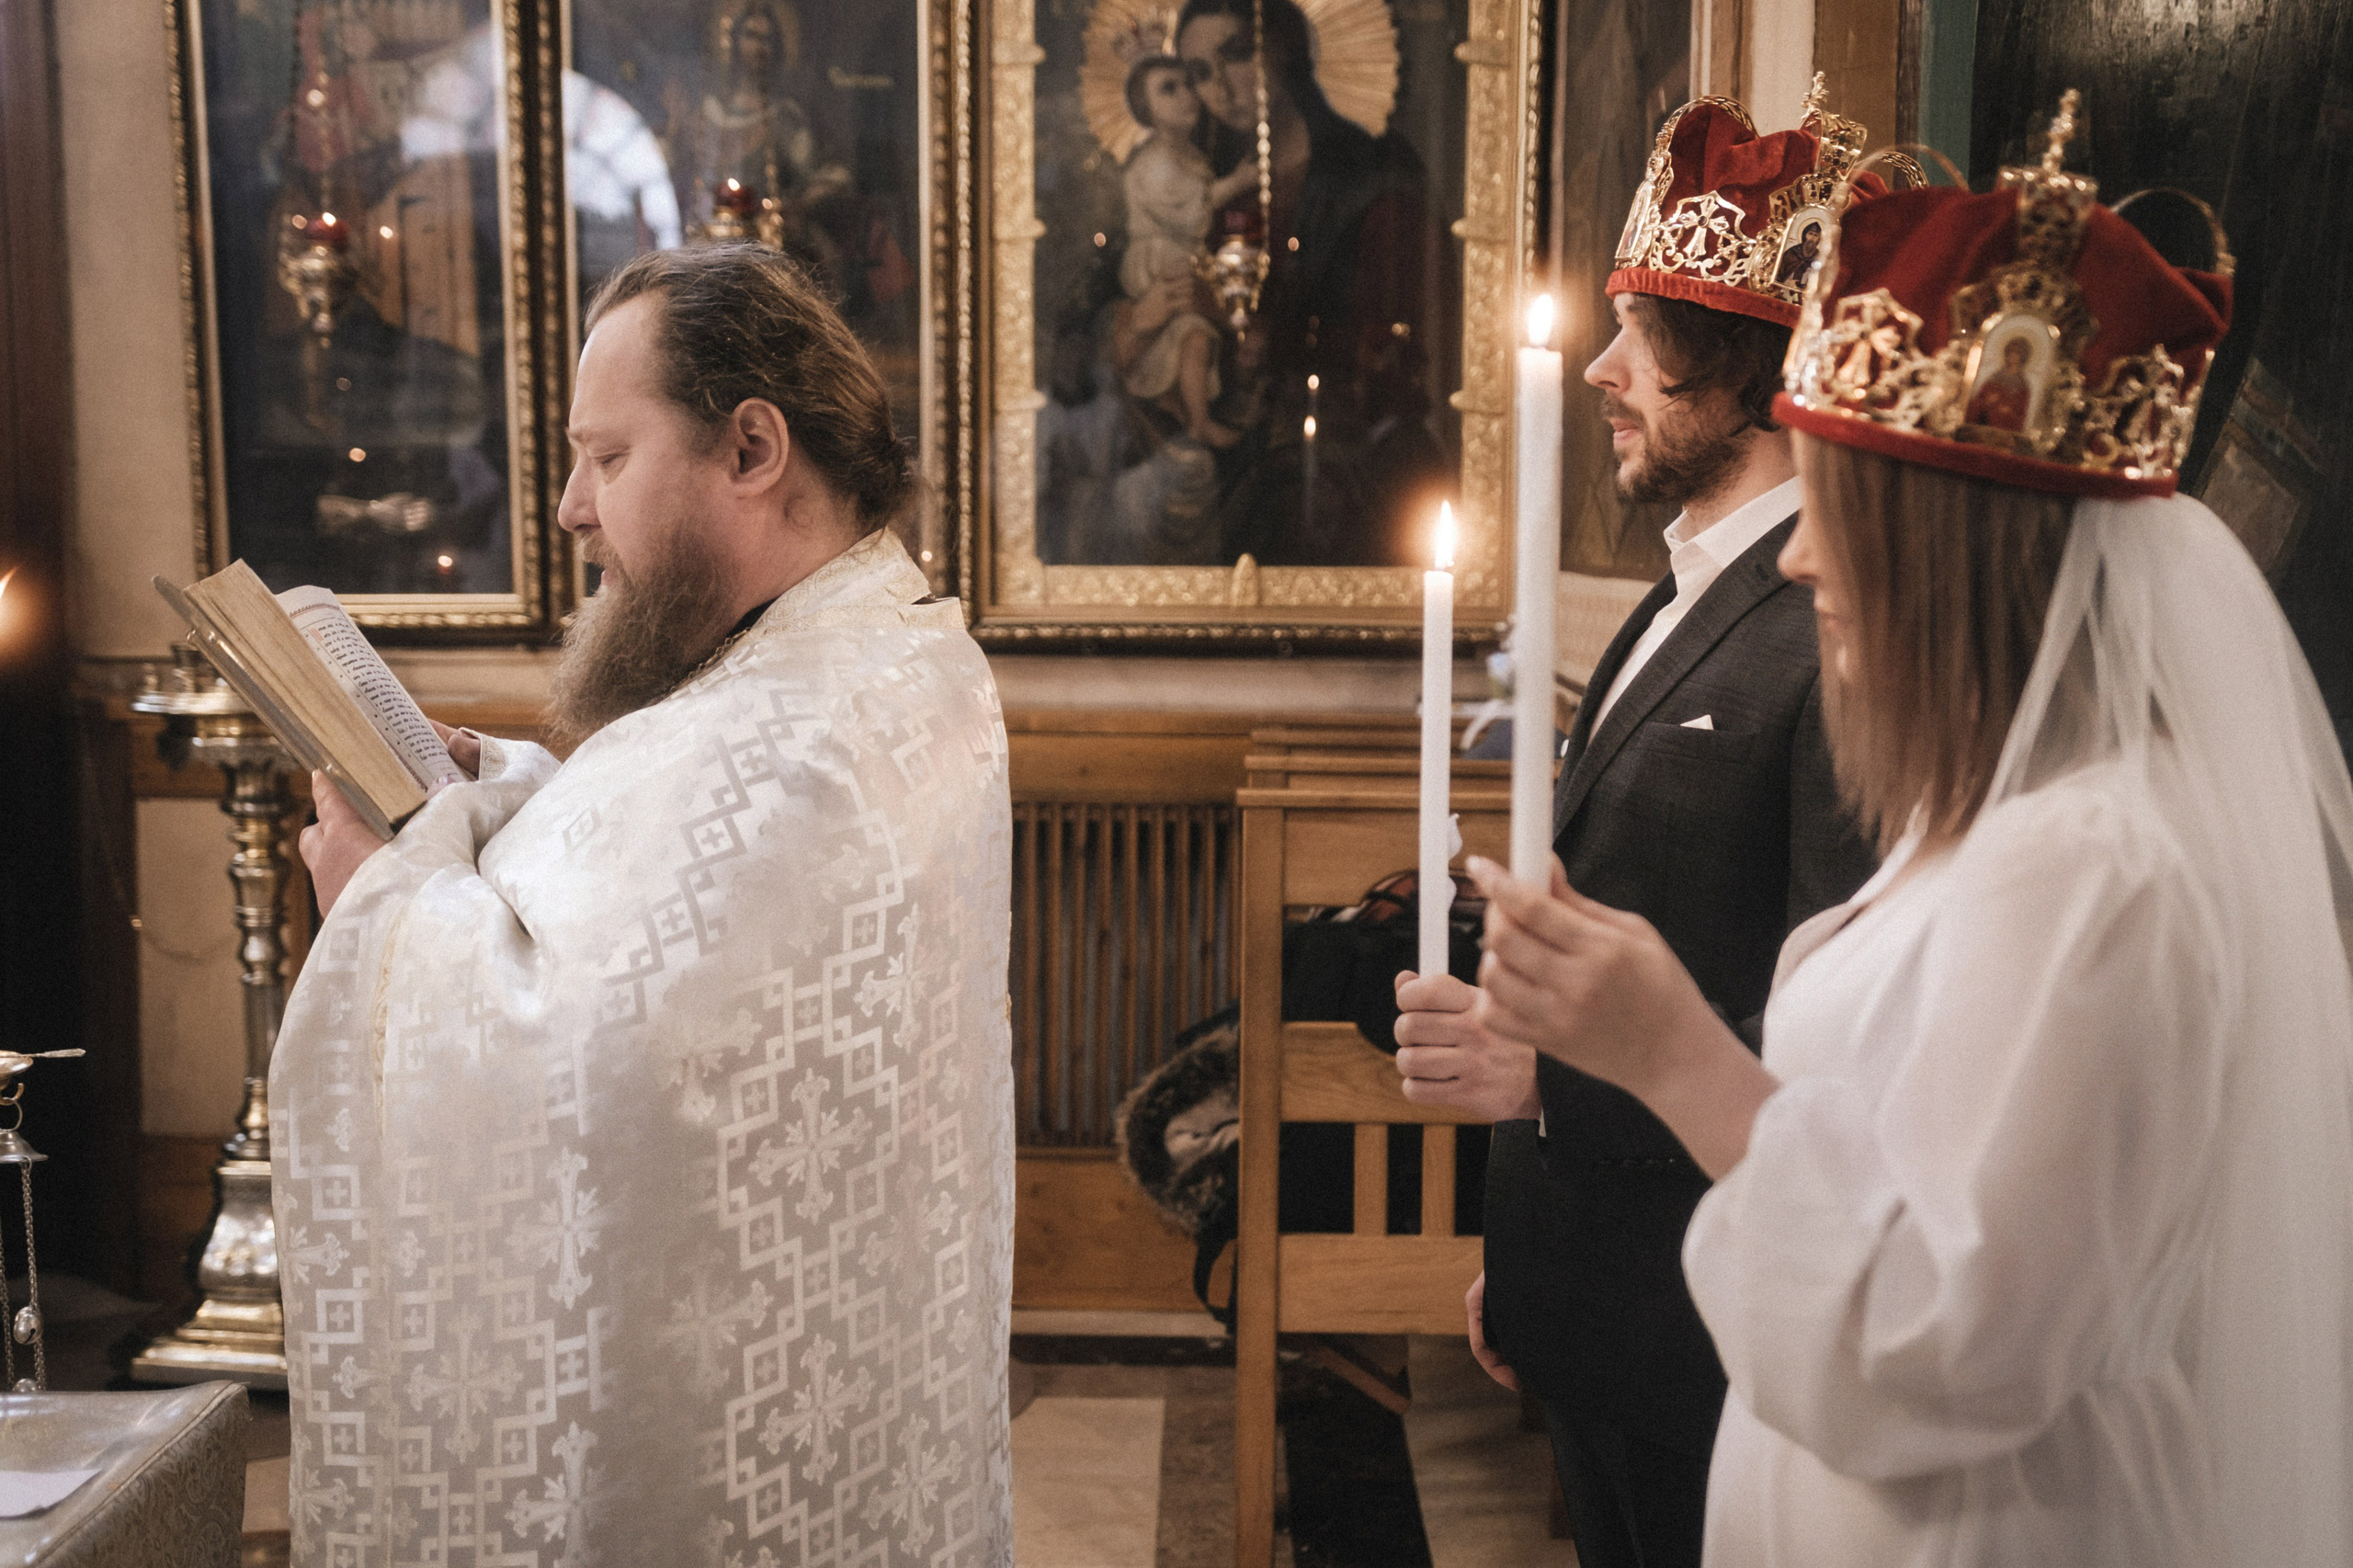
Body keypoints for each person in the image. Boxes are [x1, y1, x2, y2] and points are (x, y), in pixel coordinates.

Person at [1471, 111, 2353, 1565]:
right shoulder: (2000, 827)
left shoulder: (2104, 879)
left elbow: (1938, 1345)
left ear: (1946, 547)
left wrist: (1672, 1051)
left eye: (1844, 508)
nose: (1804, 552)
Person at [276, 244, 1016, 1568]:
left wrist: (373, 903)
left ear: (750, 449)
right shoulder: (880, 648)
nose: (569, 507)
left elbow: (580, 1048)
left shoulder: (800, 728)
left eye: (606, 459)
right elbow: (676, 886)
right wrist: (500, 786)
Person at [1389, 95, 1883, 1568]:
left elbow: (1826, 1024)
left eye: (1648, 338)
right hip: (1597, 1305)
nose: (1604, 374)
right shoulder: (1680, 591)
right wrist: (1525, 1268)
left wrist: (1545, 1077)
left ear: (1752, 370)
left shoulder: (1832, 637)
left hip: (1710, 1344)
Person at [1117, 54, 1253, 448]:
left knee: (1194, 335)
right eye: (1168, 89)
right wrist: (1240, 181)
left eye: (1188, 84)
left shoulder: (1189, 155)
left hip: (1180, 256)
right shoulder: (1154, 161)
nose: (1187, 95)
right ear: (1146, 110)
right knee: (1190, 325)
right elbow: (1193, 212)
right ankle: (1195, 419)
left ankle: (1194, 417)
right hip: (1158, 259)